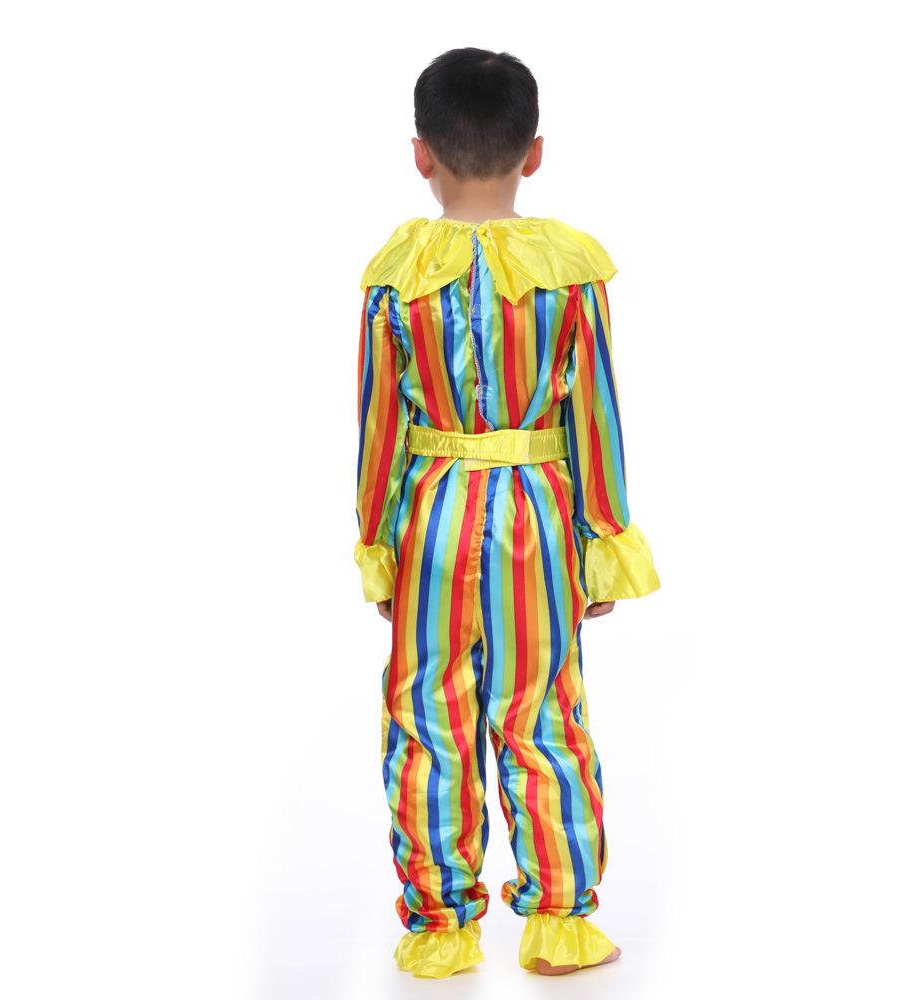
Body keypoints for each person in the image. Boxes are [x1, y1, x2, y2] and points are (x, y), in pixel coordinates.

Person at [353, 46, 661, 979]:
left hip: (434, 522)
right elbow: (594, 414)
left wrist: (380, 546)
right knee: (544, 710)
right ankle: (561, 921)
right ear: (535, 153)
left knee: (427, 712)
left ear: (420, 154)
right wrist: (601, 542)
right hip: (539, 520)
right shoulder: (568, 272)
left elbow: (378, 426)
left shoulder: (398, 275)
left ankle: (440, 924)